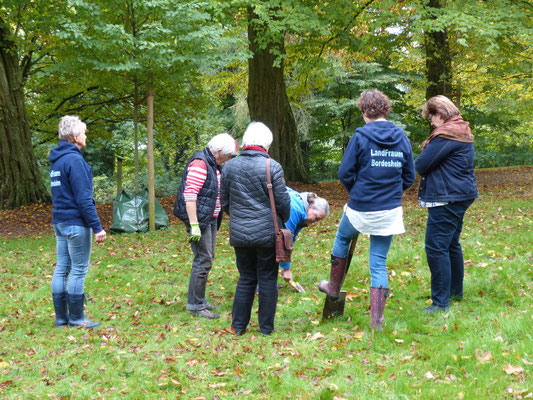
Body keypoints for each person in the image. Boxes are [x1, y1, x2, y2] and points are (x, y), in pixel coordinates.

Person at [318, 89, 415, 330]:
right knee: (378, 263)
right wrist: (392, 193)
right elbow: (409, 176)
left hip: (360, 208)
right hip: (389, 210)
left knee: (342, 236)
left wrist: (357, 191)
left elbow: (344, 173)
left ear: (364, 111)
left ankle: (333, 286)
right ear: (385, 109)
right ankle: (376, 321)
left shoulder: (360, 137)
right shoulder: (401, 137)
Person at [221, 122, 291, 336]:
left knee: (246, 277)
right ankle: (266, 329)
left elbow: (224, 202)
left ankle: (239, 327)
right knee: (268, 279)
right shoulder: (272, 166)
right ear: (266, 143)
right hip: (267, 234)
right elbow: (283, 204)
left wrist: (240, 219)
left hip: (240, 233)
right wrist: (280, 221)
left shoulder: (229, 167)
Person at [416, 95, 477, 313]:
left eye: (431, 118)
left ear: (440, 115)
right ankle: (454, 292)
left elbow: (421, 165)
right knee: (451, 244)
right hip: (460, 194)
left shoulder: (446, 136)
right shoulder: (461, 130)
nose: (431, 122)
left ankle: (441, 303)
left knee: (436, 248)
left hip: (447, 197)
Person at [49, 115, 107, 329]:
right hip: (75, 222)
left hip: (60, 221)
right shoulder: (74, 160)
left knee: (62, 267)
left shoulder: (57, 161)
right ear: (75, 137)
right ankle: (76, 318)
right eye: (83, 132)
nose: (85, 135)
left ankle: (61, 318)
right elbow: (83, 198)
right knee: (79, 268)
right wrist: (97, 227)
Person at [174, 133, 238, 319]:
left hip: (209, 218)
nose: (229, 160)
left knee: (206, 258)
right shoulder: (200, 164)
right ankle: (195, 305)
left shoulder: (213, 164)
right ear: (218, 152)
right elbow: (190, 195)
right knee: (203, 260)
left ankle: (199, 300)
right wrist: (194, 224)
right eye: (228, 156)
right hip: (200, 220)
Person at [279, 188, 330, 284]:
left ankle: (267, 285)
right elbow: (284, 239)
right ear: (310, 207)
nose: (315, 222)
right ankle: (262, 287)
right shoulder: (295, 209)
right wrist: (286, 269)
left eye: (318, 220)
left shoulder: (303, 211)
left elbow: (290, 239)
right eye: (316, 217)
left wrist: (285, 264)